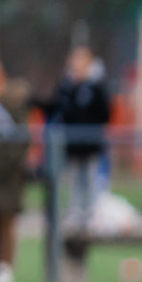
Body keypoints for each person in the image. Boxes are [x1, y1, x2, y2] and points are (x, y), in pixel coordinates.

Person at [44, 44, 110, 228]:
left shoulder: (96, 86)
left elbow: (105, 113)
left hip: (90, 144)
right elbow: (57, 107)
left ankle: (90, 214)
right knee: (72, 180)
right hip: (71, 145)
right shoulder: (67, 86)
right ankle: (74, 213)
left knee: (90, 179)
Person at [0, 60, 27, 282]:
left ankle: (5, 269)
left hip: (7, 176)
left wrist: (1, 165)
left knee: (5, 221)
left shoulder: (12, 105)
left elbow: (20, 139)